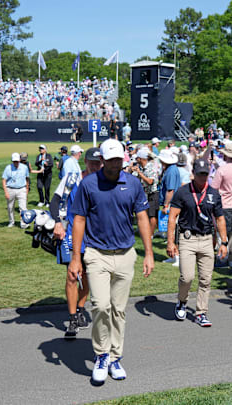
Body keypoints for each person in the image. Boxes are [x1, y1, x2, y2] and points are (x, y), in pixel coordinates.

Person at [67, 139, 154, 385]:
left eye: (120, 159)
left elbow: (142, 217)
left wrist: (149, 253)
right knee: (101, 306)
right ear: (103, 160)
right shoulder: (88, 184)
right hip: (96, 254)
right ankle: (102, 355)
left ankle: (115, 357)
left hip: (125, 253)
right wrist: (76, 258)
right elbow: (79, 220)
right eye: (112, 159)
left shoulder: (133, 183)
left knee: (118, 310)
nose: (117, 164)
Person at [167, 159, 228, 326]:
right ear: (193, 173)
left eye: (205, 174)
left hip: (207, 239)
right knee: (187, 277)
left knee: (206, 279)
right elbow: (172, 217)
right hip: (188, 239)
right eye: (200, 174)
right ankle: (182, 300)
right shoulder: (183, 191)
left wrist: (224, 242)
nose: (203, 177)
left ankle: (201, 312)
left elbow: (220, 218)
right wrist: (171, 242)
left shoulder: (214, 193)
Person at [50, 148, 103, 340]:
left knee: (87, 276)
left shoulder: (104, 182)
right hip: (72, 233)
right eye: (92, 162)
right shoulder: (72, 179)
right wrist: (57, 222)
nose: (95, 166)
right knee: (73, 275)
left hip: (94, 236)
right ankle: (72, 318)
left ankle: (80, 308)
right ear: (85, 162)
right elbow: (54, 202)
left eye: (98, 162)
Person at [211, 142, 232, 267]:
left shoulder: (222, 170)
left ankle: (222, 258)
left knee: (221, 233)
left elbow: (214, 188)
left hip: (223, 203)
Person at [130, 148, 160, 239]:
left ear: (141, 158)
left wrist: (140, 173)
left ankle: (150, 234)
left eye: (137, 158)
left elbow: (150, 181)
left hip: (152, 194)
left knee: (152, 215)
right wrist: (131, 171)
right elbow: (132, 178)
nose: (136, 160)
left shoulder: (150, 167)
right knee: (144, 214)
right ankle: (144, 231)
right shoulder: (140, 168)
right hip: (144, 194)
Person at [2, 153, 30, 228]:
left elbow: (27, 179)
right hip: (10, 189)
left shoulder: (24, 167)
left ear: (20, 160)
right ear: (12, 161)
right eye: (14, 161)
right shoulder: (8, 168)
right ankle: (11, 222)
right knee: (10, 207)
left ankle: (24, 223)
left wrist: (27, 189)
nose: (16, 163)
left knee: (23, 207)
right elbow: (4, 180)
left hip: (22, 189)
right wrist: (6, 192)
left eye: (17, 161)